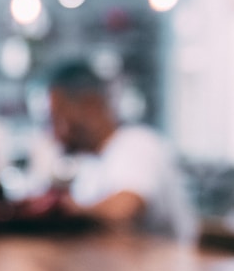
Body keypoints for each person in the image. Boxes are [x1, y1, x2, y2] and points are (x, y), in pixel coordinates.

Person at [35, 61, 196, 238]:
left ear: (90, 105)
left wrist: (62, 207)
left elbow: (123, 211)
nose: (53, 134)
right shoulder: (91, 165)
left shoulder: (137, 144)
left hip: (162, 265)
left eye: (57, 118)